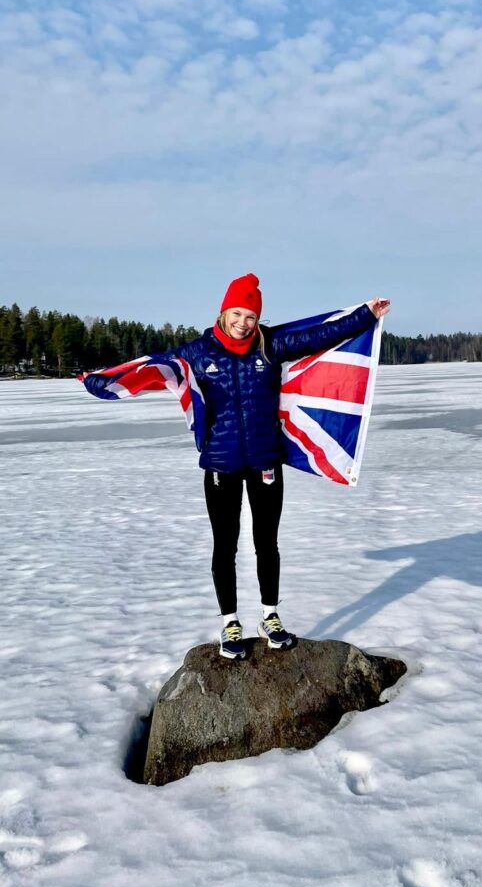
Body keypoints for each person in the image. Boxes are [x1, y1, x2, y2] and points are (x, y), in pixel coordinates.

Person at [81, 274, 390, 660]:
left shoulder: (269, 345)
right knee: (224, 546)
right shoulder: (199, 352)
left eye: (251, 316)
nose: (243, 323)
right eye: (237, 314)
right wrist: (103, 380)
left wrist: (366, 314)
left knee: (267, 543)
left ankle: (270, 616)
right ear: (224, 312)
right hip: (221, 465)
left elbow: (318, 336)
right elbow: (156, 367)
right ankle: (230, 622)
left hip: (265, 461)